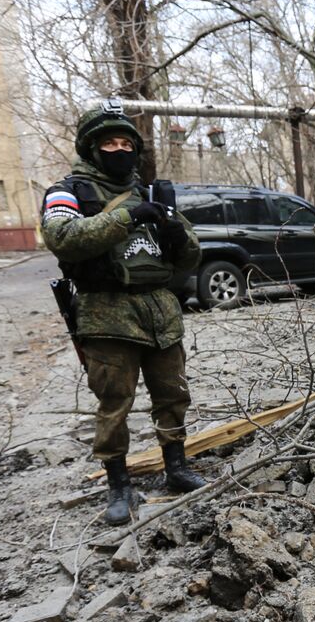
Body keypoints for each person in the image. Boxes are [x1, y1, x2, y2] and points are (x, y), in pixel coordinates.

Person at [41, 102, 207, 526]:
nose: (119, 150)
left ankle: (177, 467)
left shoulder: (151, 194)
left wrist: (176, 233)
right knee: (114, 403)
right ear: (91, 148)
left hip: (160, 313)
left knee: (173, 395)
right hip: (106, 314)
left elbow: (189, 256)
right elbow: (62, 237)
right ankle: (118, 484)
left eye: (126, 143)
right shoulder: (68, 192)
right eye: (110, 143)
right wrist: (126, 217)